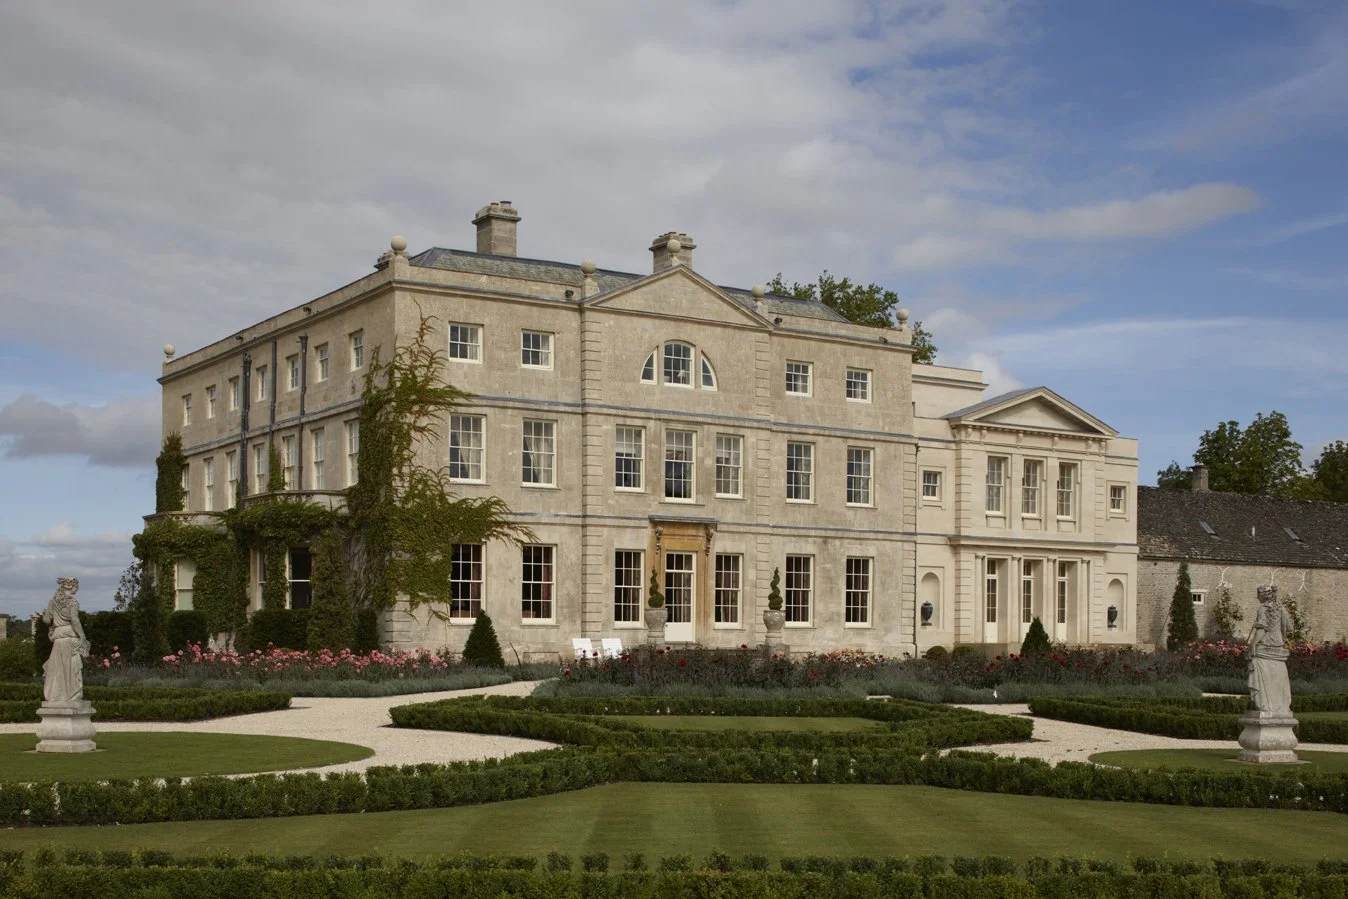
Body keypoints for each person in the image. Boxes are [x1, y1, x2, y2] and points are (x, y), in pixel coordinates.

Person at [40, 577, 90, 703]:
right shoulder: (72, 602)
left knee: (57, 668)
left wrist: (50, 616)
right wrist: (82, 636)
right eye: (76, 586)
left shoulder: (53, 602)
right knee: (72, 668)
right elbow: (75, 620)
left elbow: (46, 620)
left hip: (58, 638)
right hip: (70, 637)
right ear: (72, 586)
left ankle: (55, 696)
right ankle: (72, 697)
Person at [1247, 584, 1293, 715]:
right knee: (1278, 679)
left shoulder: (1262, 609)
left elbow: (1261, 630)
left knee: (1262, 676)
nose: (1257, 598)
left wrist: (1253, 645)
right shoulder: (1281, 607)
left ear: (1262, 596)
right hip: (1278, 646)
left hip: (1265, 646)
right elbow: (1289, 628)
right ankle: (1280, 706)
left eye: (1258, 595)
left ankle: (1266, 705)